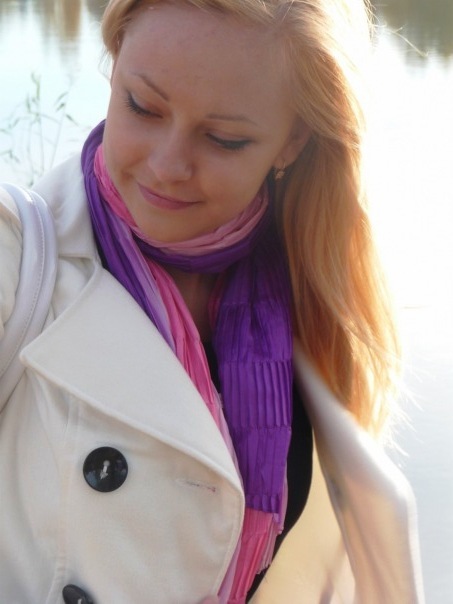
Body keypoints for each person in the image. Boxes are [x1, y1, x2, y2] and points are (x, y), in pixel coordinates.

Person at [0, 0, 425, 603]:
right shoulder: (17, 257)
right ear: (115, 61)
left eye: (224, 139)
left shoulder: (308, 296)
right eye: (142, 106)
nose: (167, 165)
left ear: (292, 140)